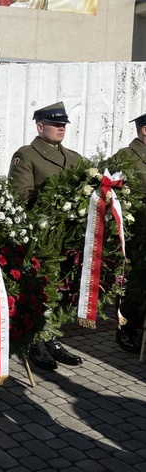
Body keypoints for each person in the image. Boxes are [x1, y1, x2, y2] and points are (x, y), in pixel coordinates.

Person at [8, 101, 84, 370]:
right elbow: (20, 195)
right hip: (41, 238)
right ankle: (35, 341)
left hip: (68, 239)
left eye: (63, 124)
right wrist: (55, 204)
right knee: (39, 289)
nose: (61, 127)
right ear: (40, 127)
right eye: (55, 124)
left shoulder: (74, 158)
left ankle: (52, 337)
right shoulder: (26, 155)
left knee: (61, 290)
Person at [108, 112, 146, 353]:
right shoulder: (125, 157)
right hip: (136, 231)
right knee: (135, 281)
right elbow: (107, 187)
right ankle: (126, 327)